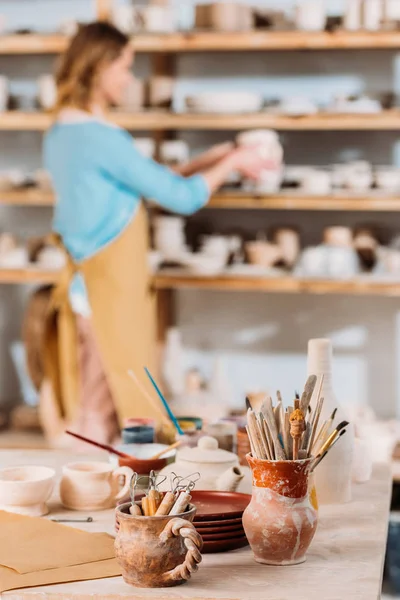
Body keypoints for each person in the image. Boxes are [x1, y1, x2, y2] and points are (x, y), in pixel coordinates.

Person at [42, 21, 273, 445]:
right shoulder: (101, 138)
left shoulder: (62, 132)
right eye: (125, 67)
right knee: (110, 408)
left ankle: (94, 491)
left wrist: (212, 158)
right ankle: (90, 493)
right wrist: (236, 161)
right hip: (109, 292)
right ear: (100, 67)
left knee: (96, 399)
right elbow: (182, 198)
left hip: (85, 286)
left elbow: (142, 183)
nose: (130, 78)